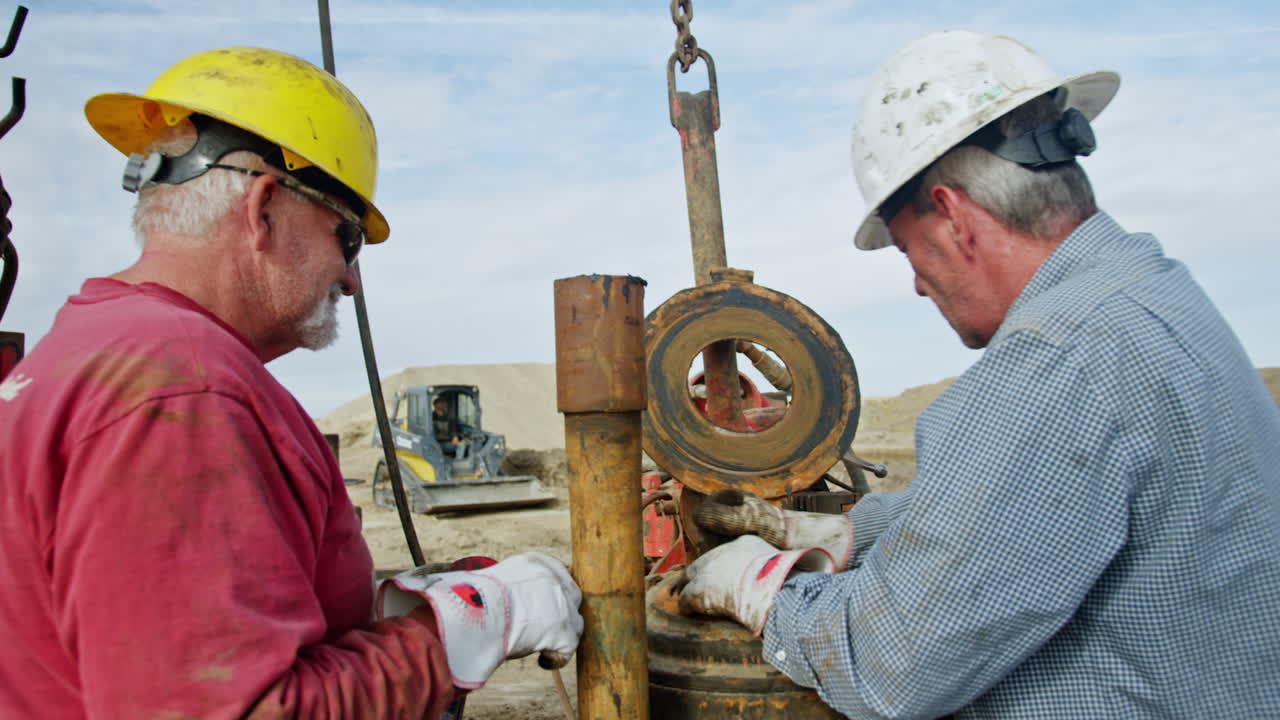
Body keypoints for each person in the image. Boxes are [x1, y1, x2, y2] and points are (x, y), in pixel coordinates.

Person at [680, 30, 1280, 718]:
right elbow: (1035, 504)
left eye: (909, 252)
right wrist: (833, 537)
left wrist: (764, 591)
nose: (917, 286)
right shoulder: (1154, 297)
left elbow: (895, 661)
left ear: (954, 219)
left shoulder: (1057, 359)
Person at [0, 46, 581, 719]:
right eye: (349, 237)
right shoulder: (181, 388)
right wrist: (463, 629)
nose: (352, 278)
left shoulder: (88, 349)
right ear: (264, 205)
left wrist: (377, 610)